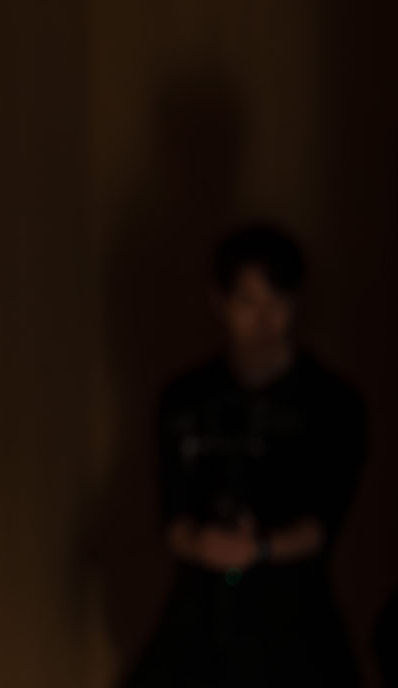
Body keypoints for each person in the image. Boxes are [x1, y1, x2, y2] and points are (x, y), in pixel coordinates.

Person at [125, 223, 366, 687]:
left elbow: (324, 520)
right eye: (248, 302)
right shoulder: (187, 400)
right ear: (220, 302)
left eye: (277, 301)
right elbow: (172, 512)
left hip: (294, 615)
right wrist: (204, 545)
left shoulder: (332, 403)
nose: (263, 319)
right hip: (202, 612)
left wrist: (260, 549)